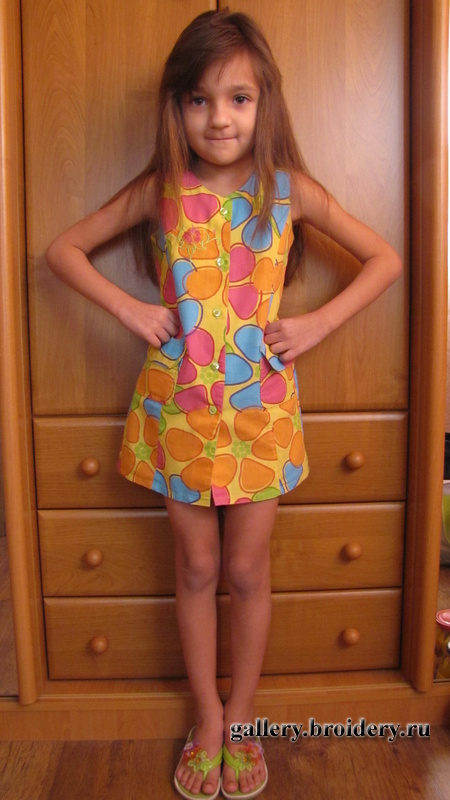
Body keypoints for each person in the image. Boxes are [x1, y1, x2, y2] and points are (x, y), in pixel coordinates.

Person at [46, 9, 402, 799]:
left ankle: (241, 716)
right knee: (198, 565)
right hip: (178, 407)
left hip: (261, 412)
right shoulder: (159, 191)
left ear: (264, 102)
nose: (219, 118)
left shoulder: (290, 192)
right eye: (199, 99)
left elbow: (385, 258)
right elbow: (62, 249)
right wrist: (131, 310)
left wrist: (317, 323)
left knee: (245, 568)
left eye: (238, 98)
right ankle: (206, 716)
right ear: (176, 106)